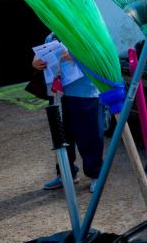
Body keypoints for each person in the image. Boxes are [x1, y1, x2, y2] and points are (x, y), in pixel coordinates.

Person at [34, 34, 104, 193]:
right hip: (57, 93)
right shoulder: (51, 35)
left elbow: (101, 52)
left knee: (89, 136)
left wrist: (78, 56)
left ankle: (96, 175)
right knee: (61, 136)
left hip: (84, 92)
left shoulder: (85, 27)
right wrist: (36, 62)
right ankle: (66, 174)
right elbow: (42, 55)